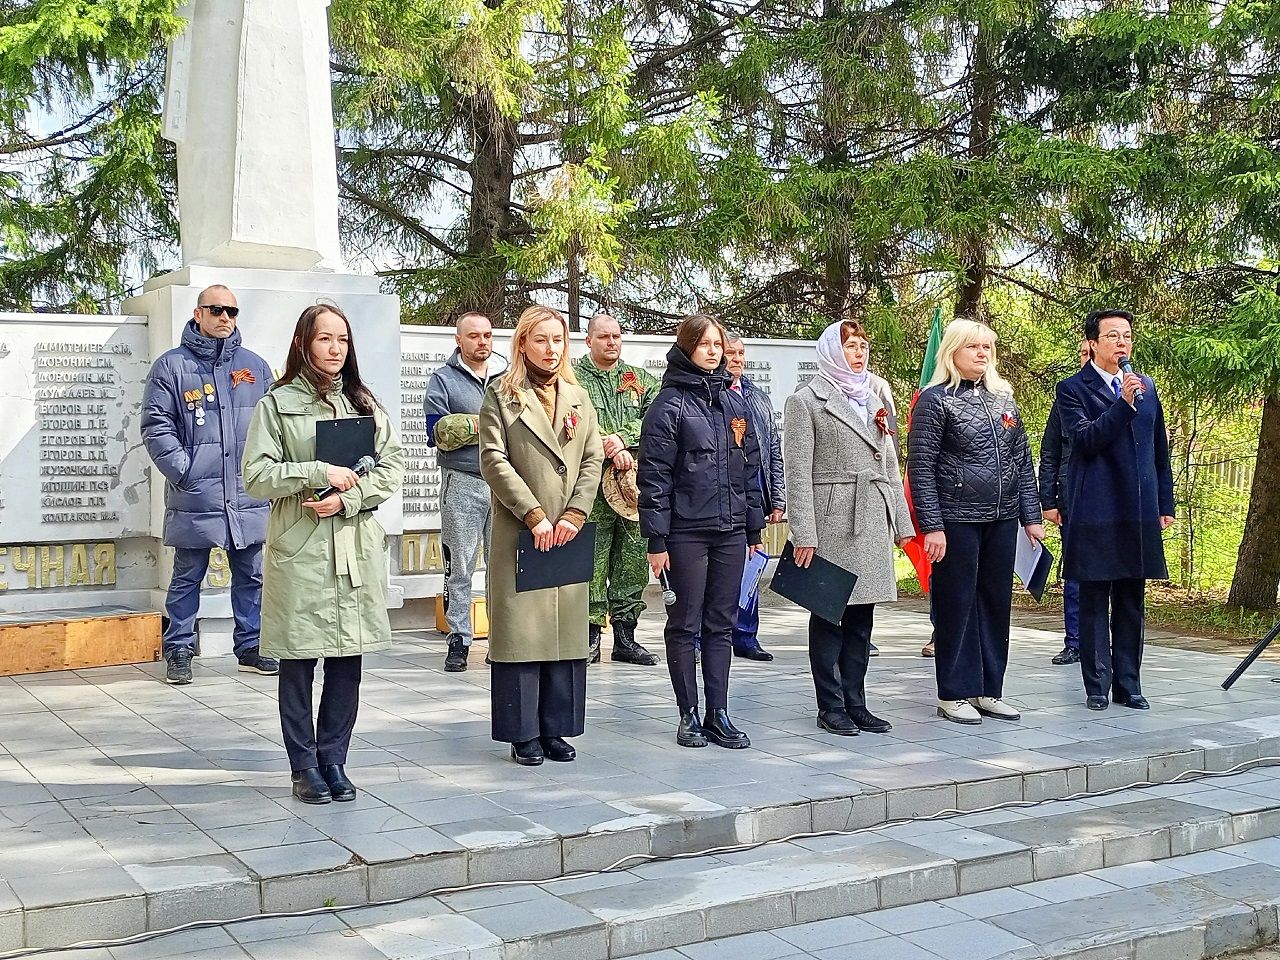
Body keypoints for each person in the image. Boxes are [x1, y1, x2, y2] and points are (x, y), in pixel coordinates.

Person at [242, 303, 404, 804]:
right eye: (324, 339)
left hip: (352, 549)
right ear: (303, 343)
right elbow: (256, 476)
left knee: (346, 660)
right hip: (303, 549)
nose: (335, 349)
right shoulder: (276, 404)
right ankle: (303, 765)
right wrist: (317, 472)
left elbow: (391, 466)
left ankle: (334, 759)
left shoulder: (363, 401)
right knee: (298, 662)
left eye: (342, 340)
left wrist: (349, 497)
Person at [479, 305, 604, 766]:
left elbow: (592, 459)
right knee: (523, 633)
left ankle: (556, 728)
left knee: (563, 629)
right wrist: (533, 514)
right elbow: (492, 459)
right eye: (541, 340)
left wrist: (574, 513)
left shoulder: (578, 395)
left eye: (558, 340)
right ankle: (523, 732)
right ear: (522, 344)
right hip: (521, 530)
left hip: (568, 530)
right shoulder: (502, 395)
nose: (551, 350)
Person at [906, 318, 1044, 726]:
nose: (983, 354)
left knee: (995, 604)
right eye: (974, 347)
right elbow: (922, 467)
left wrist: (1031, 517)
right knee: (957, 605)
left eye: (988, 347)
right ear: (953, 352)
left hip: (1002, 518)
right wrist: (932, 525)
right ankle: (953, 692)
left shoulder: (1003, 398)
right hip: (956, 519)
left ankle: (988, 689)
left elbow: (1021, 461)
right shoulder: (935, 401)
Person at [638, 314, 765, 749]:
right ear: (688, 347)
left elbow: (748, 471)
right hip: (686, 533)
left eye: (719, 344)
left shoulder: (734, 403)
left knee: (721, 625)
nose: (714, 351)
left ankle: (719, 712)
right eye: (706, 344)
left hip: (730, 531)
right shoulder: (669, 404)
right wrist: (657, 539)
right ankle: (688, 714)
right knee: (684, 623)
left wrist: (753, 530)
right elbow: (654, 475)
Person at [141, 284, 278, 685]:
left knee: (251, 574)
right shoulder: (171, 366)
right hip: (196, 491)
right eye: (216, 310)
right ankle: (180, 648)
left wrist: (267, 469)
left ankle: (250, 646)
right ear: (198, 314)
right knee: (188, 575)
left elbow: (274, 424)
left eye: (232, 311)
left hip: (247, 491)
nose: (225, 318)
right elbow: (155, 426)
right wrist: (185, 468)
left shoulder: (255, 366)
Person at [785, 320, 915, 735]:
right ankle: (830, 704)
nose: (858, 353)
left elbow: (889, 463)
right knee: (829, 613)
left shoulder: (873, 398)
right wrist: (803, 531)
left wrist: (902, 520)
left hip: (872, 514)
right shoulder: (806, 400)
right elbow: (797, 471)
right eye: (850, 346)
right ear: (831, 352)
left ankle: (856, 701)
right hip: (832, 518)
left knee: (863, 617)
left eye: (862, 345)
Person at [1056, 309, 1174, 712]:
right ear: (1093, 343)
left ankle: (1129, 683)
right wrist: (1122, 404)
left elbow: (1159, 447)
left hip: (1138, 507)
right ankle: (1096, 685)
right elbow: (1086, 439)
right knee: (1093, 600)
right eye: (1112, 336)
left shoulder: (1147, 386)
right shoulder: (1073, 388)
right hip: (1096, 507)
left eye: (1127, 335)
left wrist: (1165, 501)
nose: (1122, 342)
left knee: (1131, 599)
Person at [573, 312, 662, 666]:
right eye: (604, 336)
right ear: (589, 340)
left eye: (617, 336)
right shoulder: (572, 379)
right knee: (591, 561)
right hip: (589, 486)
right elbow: (569, 421)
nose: (611, 342)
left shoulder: (639, 380)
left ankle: (626, 636)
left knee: (632, 560)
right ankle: (590, 636)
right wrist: (607, 445)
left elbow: (657, 417)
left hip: (632, 489)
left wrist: (623, 440)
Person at [424, 310, 507, 672]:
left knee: (501, 567)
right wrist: (486, 424)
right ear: (459, 340)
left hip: (504, 484)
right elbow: (436, 433)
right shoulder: (443, 380)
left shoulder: (507, 378)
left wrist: (468, 426)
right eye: (474, 335)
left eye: (487, 335)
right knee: (460, 566)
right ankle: (459, 638)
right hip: (463, 481)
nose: (482, 341)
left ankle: (501, 639)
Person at [722, 334, 786, 661]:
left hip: (754, 495)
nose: (736, 358)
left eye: (740, 352)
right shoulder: (710, 395)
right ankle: (707, 640)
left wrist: (777, 496)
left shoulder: (758, 397)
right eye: (730, 352)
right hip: (721, 496)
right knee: (719, 571)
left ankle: (746, 636)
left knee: (751, 564)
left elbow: (773, 448)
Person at [1039, 338, 1093, 666]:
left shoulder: (1127, 391)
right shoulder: (1067, 395)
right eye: (1082, 354)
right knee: (1075, 573)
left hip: (1114, 502)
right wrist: (1048, 499)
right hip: (1072, 498)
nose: (1086, 360)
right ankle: (1074, 642)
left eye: (1091, 353)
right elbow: (1050, 451)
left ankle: (1108, 642)